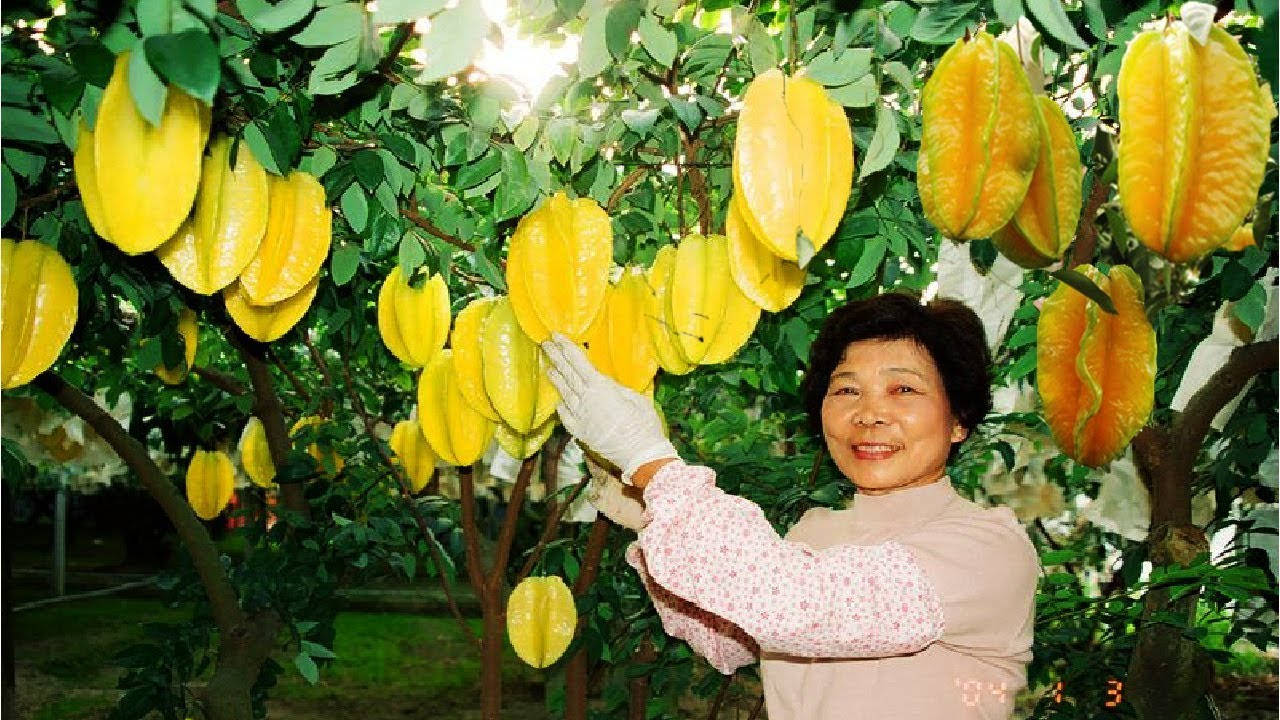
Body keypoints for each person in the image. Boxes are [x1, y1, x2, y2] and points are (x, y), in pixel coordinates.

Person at [541, 292, 1040, 720]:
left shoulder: (986, 549)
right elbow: (726, 641)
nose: (868, 414)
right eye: (846, 389)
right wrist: (648, 516)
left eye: (903, 389)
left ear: (960, 420)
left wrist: (649, 460)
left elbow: (790, 603)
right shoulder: (817, 530)